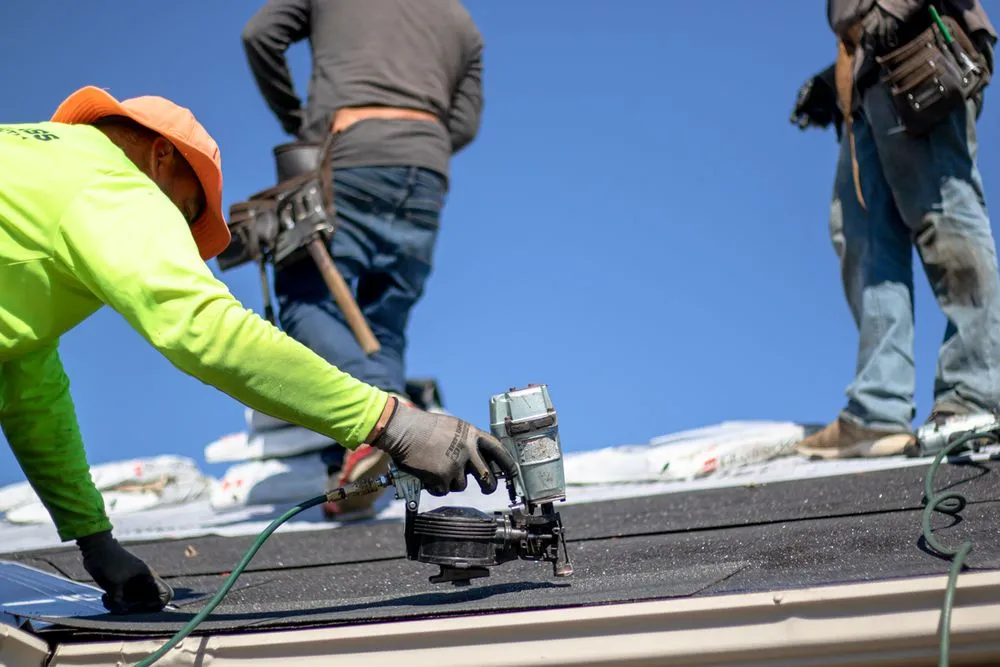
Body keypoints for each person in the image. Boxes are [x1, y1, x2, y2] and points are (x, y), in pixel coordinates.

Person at [0, 86, 514, 614]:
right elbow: (207, 330)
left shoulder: (38, 171)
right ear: (161, 154)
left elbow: (27, 388)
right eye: (186, 208)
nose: (172, 227)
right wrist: (392, 424)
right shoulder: (111, 182)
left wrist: (95, 542)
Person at [240, 0, 485, 517]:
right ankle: (367, 461)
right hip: (427, 168)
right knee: (385, 323)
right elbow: (462, 123)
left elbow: (259, 35)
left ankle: (385, 424)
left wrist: (304, 123)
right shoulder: (461, 22)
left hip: (351, 151)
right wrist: (417, 140)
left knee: (306, 297)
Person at [796, 0, 999, 459]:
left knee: (946, 220)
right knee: (863, 236)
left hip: (916, 48)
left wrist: (894, 8)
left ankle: (977, 393)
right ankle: (878, 408)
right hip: (867, 75)